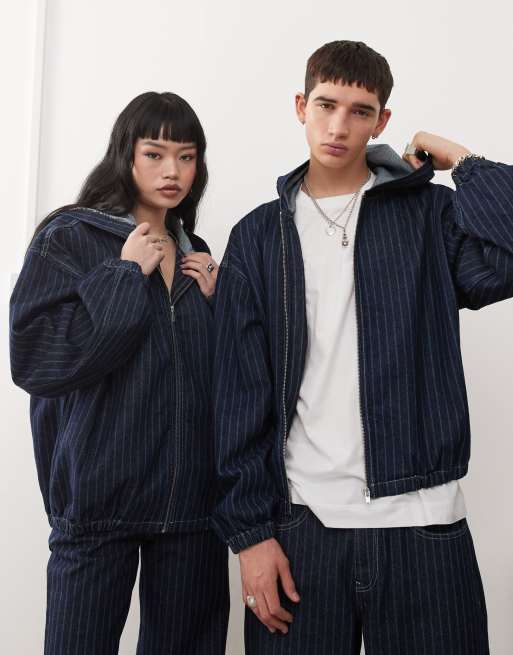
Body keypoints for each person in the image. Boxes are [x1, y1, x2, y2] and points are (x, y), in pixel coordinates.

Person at [212, 40, 512, 654]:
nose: (339, 126)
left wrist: (461, 161)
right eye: (326, 105)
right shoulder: (258, 237)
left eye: (360, 111)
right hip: (301, 528)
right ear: (301, 106)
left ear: (382, 121)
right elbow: (238, 396)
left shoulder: (430, 216)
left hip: (424, 526)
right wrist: (250, 536)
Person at [10, 91, 229, 654]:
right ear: (125, 156)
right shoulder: (71, 237)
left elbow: (215, 383)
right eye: (155, 154)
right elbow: (35, 359)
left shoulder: (197, 254)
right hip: (97, 508)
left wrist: (219, 308)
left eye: (186, 157)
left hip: (192, 510)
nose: (172, 171)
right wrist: (124, 275)